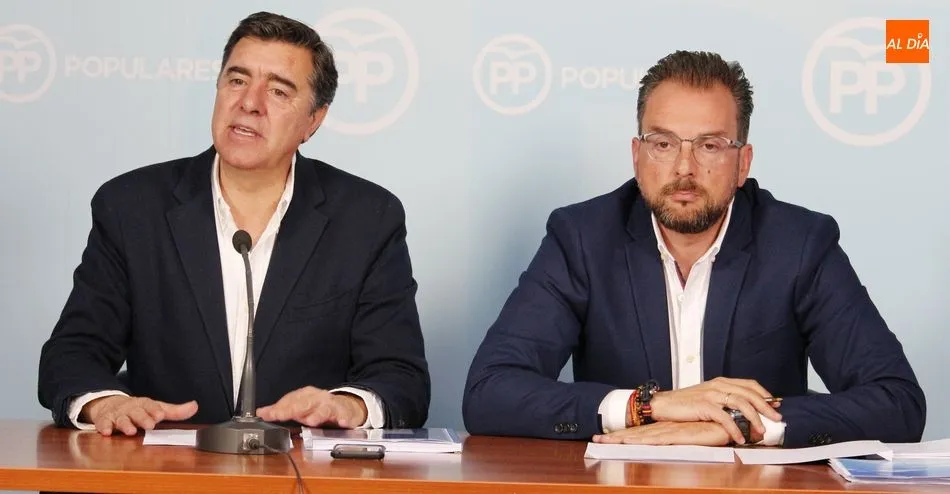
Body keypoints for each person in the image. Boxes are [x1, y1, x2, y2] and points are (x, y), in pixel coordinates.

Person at [463, 50, 925, 448]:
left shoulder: (800, 244)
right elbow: (489, 392)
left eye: (709, 145)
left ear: (742, 163)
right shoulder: (582, 237)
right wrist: (650, 407)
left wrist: (740, 423)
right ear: (637, 155)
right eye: (662, 143)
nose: (684, 167)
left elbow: (898, 402)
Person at [38, 11, 430, 436]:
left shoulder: (367, 218)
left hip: (300, 475)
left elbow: (401, 377)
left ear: (313, 120)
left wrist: (350, 405)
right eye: (238, 80)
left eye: (279, 91)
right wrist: (105, 403)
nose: (249, 102)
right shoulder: (131, 207)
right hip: (166, 474)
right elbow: (72, 353)